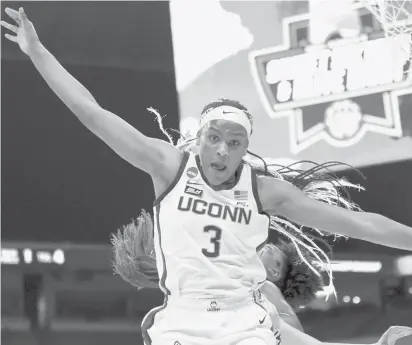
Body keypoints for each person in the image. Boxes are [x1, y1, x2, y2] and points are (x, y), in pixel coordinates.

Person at [2, 7, 412, 345]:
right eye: (214, 137)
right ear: (198, 138)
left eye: (234, 142)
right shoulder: (168, 166)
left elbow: (360, 223)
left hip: (245, 324)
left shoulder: (265, 191)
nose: (222, 149)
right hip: (182, 322)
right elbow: (92, 113)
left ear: (245, 149)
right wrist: (37, 51)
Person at [111, 212, 412, 345]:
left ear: (273, 273)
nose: (269, 247)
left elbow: (292, 334)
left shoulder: (262, 290)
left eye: (276, 260)